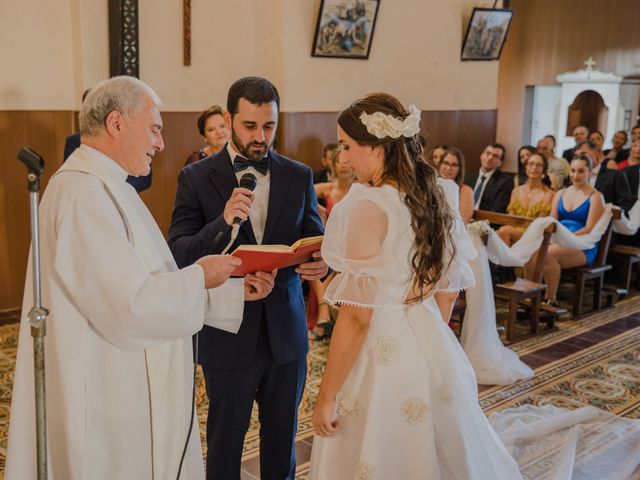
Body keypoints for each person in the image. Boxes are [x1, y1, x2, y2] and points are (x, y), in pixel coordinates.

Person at [5, 76, 276, 480]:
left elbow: (150, 281)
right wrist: (201, 276)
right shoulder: (82, 195)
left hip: (121, 374)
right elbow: (129, 306)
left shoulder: (110, 187)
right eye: (154, 129)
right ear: (116, 124)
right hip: (107, 388)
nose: (160, 143)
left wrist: (229, 293)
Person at [309, 93, 522, 479]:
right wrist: (427, 334)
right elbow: (448, 286)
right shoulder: (436, 195)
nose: (344, 159)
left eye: (348, 146)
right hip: (429, 338)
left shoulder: (367, 207)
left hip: (379, 347)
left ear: (375, 148)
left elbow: (356, 319)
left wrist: (325, 397)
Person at [168, 76, 327, 479]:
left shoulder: (298, 175)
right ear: (228, 118)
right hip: (227, 333)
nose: (261, 137)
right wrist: (223, 220)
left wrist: (321, 264)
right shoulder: (196, 178)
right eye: (250, 126)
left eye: (269, 126)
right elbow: (180, 253)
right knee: (225, 442)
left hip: (285, 332)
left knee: (282, 442)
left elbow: (313, 239)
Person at [525, 154, 605, 306]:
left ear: (590, 171)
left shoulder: (596, 197)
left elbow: (590, 229)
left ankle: (550, 299)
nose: (576, 175)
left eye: (581, 171)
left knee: (549, 254)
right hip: (558, 239)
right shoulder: (560, 193)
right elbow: (552, 221)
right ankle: (529, 295)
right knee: (531, 249)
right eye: (573, 171)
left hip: (582, 244)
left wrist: (564, 239)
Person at [63, 87, 153, 193]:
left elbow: (145, 179)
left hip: (124, 197)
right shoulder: (73, 141)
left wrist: (118, 186)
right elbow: (70, 176)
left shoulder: (129, 138)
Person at [497, 153, 554, 246]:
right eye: (531, 163)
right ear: (526, 167)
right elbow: (511, 219)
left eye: (539, 165)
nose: (534, 167)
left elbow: (540, 225)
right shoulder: (516, 191)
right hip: (512, 232)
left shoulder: (549, 194)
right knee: (497, 233)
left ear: (544, 169)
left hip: (535, 235)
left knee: (504, 231)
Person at [574, 139, 634, 212]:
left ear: (596, 153)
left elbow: (625, 206)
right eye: (577, 156)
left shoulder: (615, 175)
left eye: (583, 154)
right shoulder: (573, 177)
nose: (580, 158)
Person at [464, 143, 514, 213]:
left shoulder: (505, 182)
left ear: (500, 163)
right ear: (481, 155)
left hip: (486, 221)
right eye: (488, 153)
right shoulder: (468, 179)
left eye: (495, 156)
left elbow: (498, 210)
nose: (490, 158)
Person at [438, 147, 474, 224]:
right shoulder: (431, 186)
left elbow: (463, 221)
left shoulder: (466, 190)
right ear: (440, 164)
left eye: (454, 165)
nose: (448, 168)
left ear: (460, 169)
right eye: (445, 163)